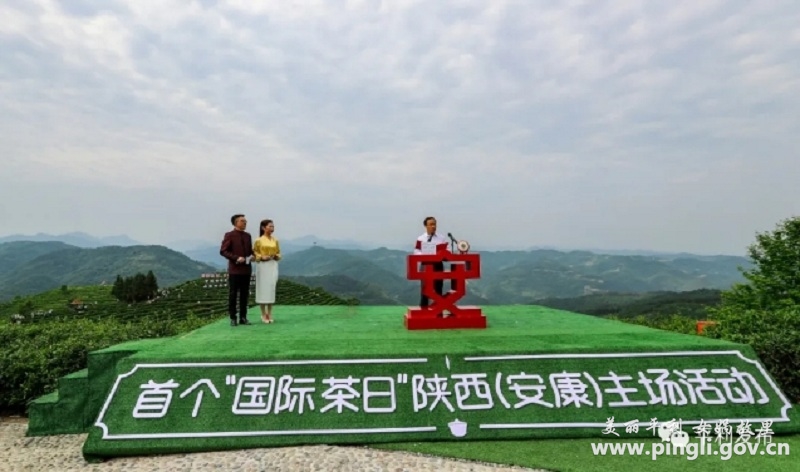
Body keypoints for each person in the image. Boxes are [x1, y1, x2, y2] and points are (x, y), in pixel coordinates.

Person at [220, 214, 254, 326]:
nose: (245, 223)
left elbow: (250, 251)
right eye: (242, 221)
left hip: (246, 269)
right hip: (234, 270)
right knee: (233, 294)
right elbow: (223, 251)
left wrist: (252, 256)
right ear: (236, 223)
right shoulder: (229, 235)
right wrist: (236, 258)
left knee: (245, 295)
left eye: (245, 221)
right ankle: (233, 318)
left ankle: (243, 317)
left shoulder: (248, 236)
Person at [413, 216, 450, 309]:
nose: (433, 226)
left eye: (434, 224)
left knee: (438, 288)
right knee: (425, 289)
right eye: (431, 224)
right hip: (425, 265)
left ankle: (438, 311)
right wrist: (426, 255)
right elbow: (416, 252)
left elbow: (447, 250)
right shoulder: (421, 238)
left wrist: (442, 254)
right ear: (426, 226)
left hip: (438, 265)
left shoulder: (441, 238)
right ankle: (423, 311)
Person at [253, 219, 281, 323]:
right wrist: (261, 257)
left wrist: (276, 256)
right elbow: (254, 253)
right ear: (263, 228)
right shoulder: (258, 240)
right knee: (262, 288)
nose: (272, 228)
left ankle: (269, 313)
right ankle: (263, 314)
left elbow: (278, 252)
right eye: (270, 226)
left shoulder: (275, 240)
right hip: (262, 266)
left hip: (272, 264)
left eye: (273, 226)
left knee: (271, 287)